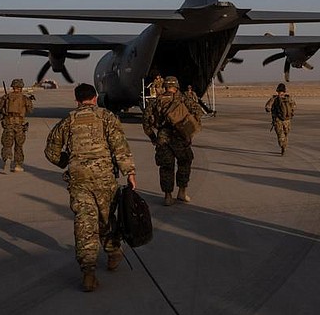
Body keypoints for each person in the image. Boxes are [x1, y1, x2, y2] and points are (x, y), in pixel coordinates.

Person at [44, 83, 136, 292]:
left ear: (76, 100)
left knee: (84, 223)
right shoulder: (106, 117)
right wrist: (129, 172)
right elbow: (119, 146)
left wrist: (67, 161)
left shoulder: (68, 121)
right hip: (104, 178)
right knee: (106, 218)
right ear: (95, 98)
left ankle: (88, 273)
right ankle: (113, 253)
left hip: (79, 180)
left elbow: (51, 152)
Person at [143, 76, 203, 206]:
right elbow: (198, 111)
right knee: (184, 163)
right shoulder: (183, 99)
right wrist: (189, 128)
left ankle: (168, 196)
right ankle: (182, 192)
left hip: (163, 138)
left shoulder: (155, 102)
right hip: (181, 137)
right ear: (177, 86)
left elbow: (146, 122)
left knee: (166, 167)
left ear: (164, 86)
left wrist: (153, 137)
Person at [0, 78, 34, 173]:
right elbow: (30, 110)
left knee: (7, 145)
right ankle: (18, 165)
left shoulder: (6, 97)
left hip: (8, 125)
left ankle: (7, 158)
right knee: (19, 146)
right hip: (19, 126)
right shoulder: (24, 98)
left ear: (13, 87)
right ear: (21, 87)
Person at [265, 83, 295, 155]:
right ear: (284, 91)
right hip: (287, 120)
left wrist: (271, 110)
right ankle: (284, 146)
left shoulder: (274, 99)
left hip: (278, 120)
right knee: (286, 135)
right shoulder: (289, 98)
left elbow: (267, 108)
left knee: (280, 135)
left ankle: (282, 146)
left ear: (277, 91)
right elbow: (294, 107)